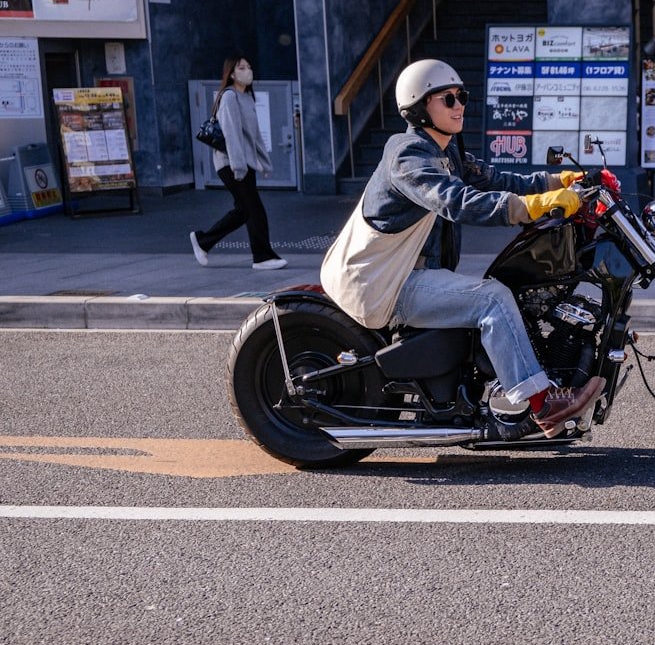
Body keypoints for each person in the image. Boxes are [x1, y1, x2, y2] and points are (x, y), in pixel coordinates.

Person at [321, 59, 605, 439]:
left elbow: (494, 178)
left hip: (411, 274)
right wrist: (529, 208)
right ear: (419, 107)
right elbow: (458, 200)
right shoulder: (408, 156)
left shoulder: (445, 149)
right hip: (385, 283)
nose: (459, 106)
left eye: (462, 97)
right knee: (492, 298)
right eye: (447, 99)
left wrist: (558, 180)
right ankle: (542, 404)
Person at [189, 54, 287, 270]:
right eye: (242, 68)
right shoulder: (229, 97)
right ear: (232, 73)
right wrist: (239, 167)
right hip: (230, 164)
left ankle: (203, 240)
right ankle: (262, 257)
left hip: (242, 164)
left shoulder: (247, 98)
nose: (248, 71)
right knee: (255, 210)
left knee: (244, 211)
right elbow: (231, 134)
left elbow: (254, 136)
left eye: (249, 66)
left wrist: (264, 163)